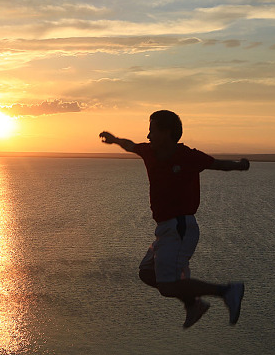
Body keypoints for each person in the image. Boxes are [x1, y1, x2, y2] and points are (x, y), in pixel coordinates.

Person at [100, 110, 249, 328]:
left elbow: (217, 164)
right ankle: (193, 304)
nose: (148, 136)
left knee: (168, 285)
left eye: (152, 130)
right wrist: (113, 140)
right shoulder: (149, 152)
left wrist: (240, 165)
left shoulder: (188, 156)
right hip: (164, 230)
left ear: (166, 132)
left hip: (181, 227)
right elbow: (129, 144)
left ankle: (227, 291)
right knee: (147, 273)